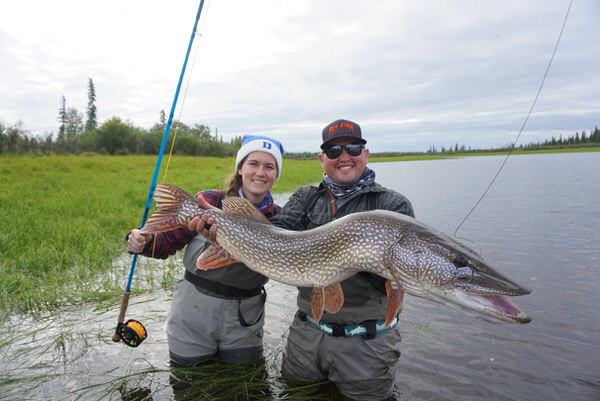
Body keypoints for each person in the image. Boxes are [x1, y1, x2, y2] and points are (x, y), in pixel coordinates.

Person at [194, 119, 415, 401]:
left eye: (353, 148)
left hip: (367, 345)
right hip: (306, 336)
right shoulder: (306, 198)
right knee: (296, 394)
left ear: (366, 153)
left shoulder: (392, 205)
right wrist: (225, 234)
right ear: (323, 159)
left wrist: (370, 261)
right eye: (334, 151)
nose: (344, 156)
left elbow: (396, 277)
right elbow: (271, 235)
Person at [126, 134, 285, 366]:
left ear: (275, 175)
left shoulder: (281, 218)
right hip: (193, 311)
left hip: (244, 317)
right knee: (188, 381)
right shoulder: (208, 201)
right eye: (253, 164)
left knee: (243, 384)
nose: (260, 172)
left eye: (269, 167)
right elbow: (167, 243)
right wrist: (144, 242)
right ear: (240, 168)